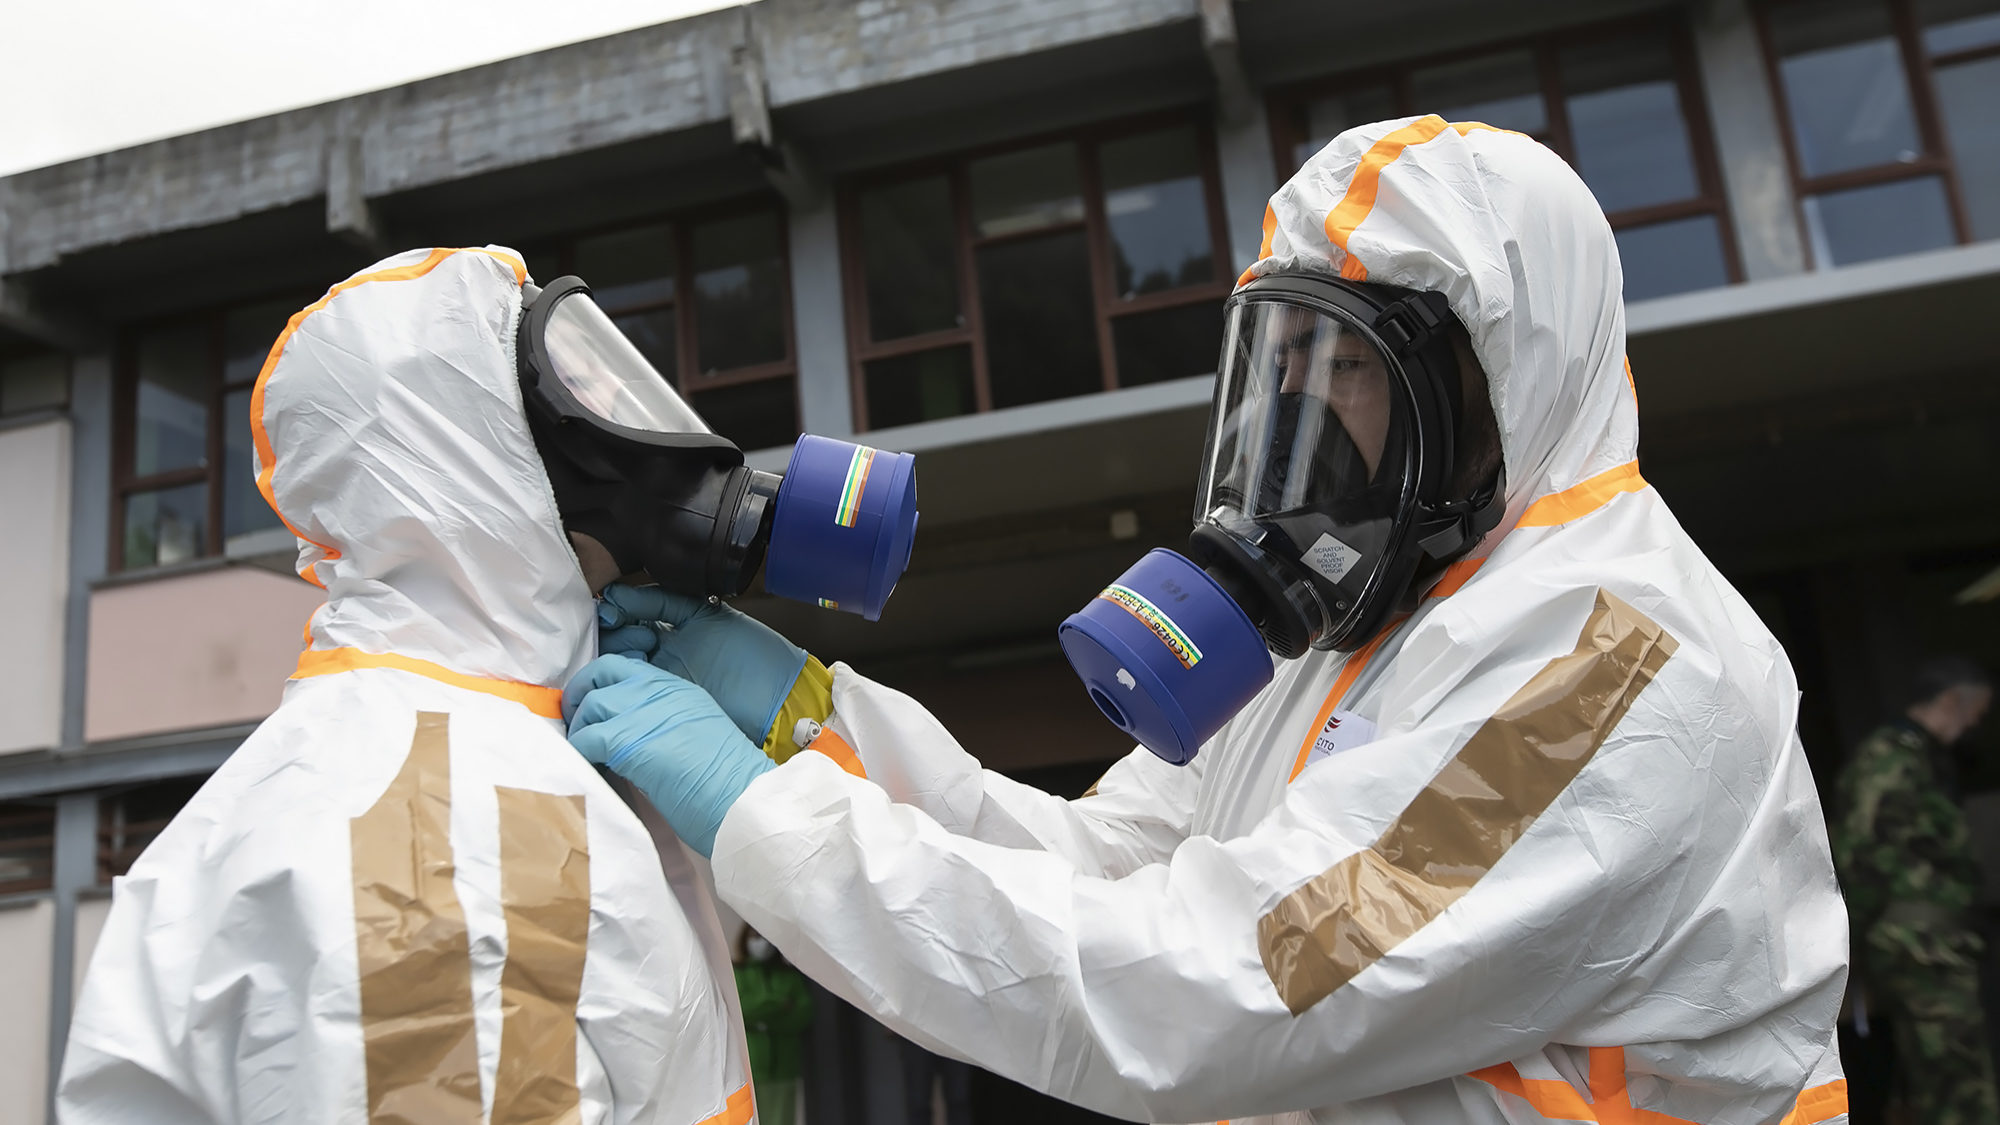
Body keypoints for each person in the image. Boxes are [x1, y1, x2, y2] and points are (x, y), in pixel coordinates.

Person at [565, 117, 1850, 1123]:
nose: (1292, 431)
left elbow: (1208, 985)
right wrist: (800, 718)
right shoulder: (1378, 620)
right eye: (1278, 366)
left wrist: (757, 819)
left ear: (1492, 391)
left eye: (1346, 368)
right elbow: (1103, 867)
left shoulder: (1607, 674)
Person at [59, 247, 755, 1124]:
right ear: (474, 447)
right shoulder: (439, 828)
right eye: (582, 390)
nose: (623, 415)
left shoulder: (471, 753)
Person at [1832, 656, 1996, 1124]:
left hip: (1932, 943)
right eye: (1975, 714)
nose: (1972, 728)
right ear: (1950, 701)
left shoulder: (1917, 759)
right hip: (1917, 945)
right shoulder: (1889, 759)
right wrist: (1855, 941)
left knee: (1951, 1070)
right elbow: (1859, 852)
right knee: (1952, 1075)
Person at [736, 927, 815, 1125]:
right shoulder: (738, 973)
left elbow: (802, 1016)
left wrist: (760, 1021)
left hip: (784, 1070)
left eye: (765, 936)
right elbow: (742, 1010)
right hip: (749, 1071)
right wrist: (779, 1004)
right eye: (755, 936)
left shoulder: (789, 976)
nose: (761, 942)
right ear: (745, 938)